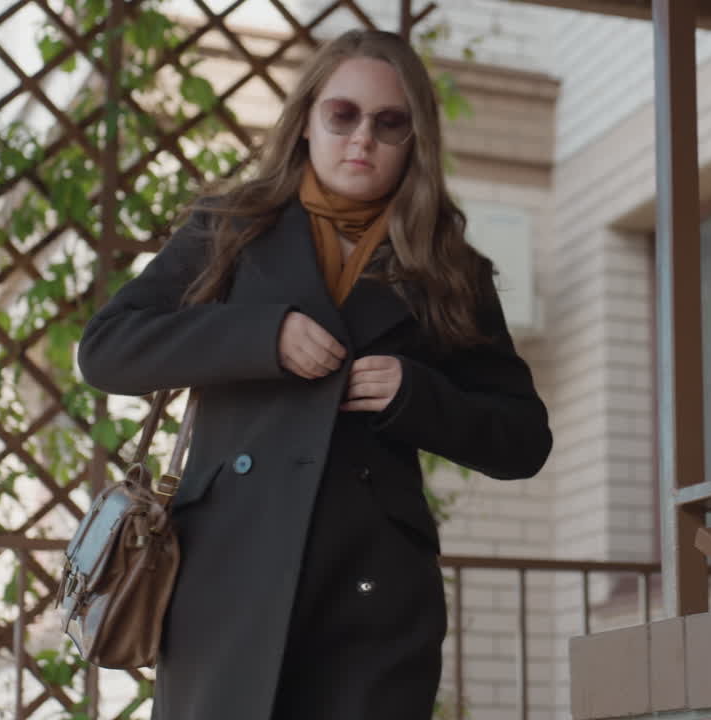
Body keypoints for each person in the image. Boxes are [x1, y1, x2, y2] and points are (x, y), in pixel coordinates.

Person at [77, 28, 552, 720]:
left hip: (372, 601)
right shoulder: (232, 227)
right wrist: (260, 337)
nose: (363, 138)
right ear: (306, 121)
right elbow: (107, 348)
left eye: (390, 123)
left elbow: (523, 439)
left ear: (414, 140)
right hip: (226, 582)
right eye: (343, 115)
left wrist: (415, 396)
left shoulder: (445, 265)